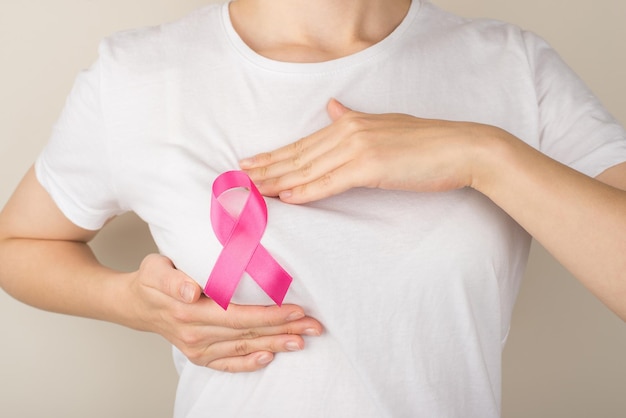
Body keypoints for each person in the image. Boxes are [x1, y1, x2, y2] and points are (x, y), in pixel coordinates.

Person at [1, 0, 625, 416]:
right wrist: (130, 305)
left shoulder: (512, 67)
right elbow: (17, 246)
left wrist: (483, 154)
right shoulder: (136, 77)